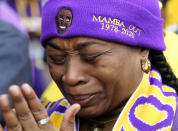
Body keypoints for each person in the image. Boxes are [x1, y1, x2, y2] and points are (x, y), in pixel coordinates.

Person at [0, 0, 178, 131]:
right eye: (57, 58)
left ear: (143, 50)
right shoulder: (33, 124)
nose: (70, 77)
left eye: (91, 57)